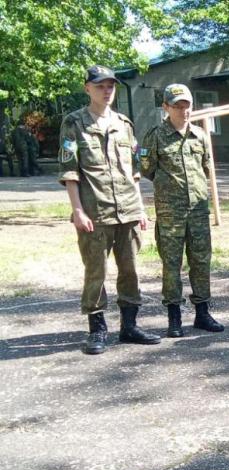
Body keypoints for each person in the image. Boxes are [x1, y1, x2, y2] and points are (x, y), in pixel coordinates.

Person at [57, 65, 161, 354]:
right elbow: (69, 171)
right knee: (96, 272)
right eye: (100, 85)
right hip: (95, 212)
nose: (106, 90)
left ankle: (129, 326)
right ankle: (98, 329)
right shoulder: (73, 123)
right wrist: (77, 210)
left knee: (130, 271)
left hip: (128, 210)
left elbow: (135, 171)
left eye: (110, 86)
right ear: (87, 88)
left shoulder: (125, 124)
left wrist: (140, 208)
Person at [140, 83, 224, 338]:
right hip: (170, 213)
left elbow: (206, 168)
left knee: (201, 261)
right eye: (178, 106)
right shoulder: (155, 136)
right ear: (166, 107)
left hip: (198, 211)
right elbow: (147, 169)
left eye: (187, 106)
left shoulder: (200, 136)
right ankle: (174, 316)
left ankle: (202, 312)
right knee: (172, 265)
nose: (184, 111)